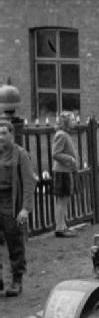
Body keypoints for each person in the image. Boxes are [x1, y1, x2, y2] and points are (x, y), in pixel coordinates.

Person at [0, 119, 35, 296]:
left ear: (12, 134)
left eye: (4, 133)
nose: (1, 137)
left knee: (14, 243)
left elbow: (29, 183)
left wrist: (25, 209)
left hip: (10, 204)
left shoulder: (20, 154)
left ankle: (16, 280)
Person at [52, 111, 80, 237]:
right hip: (61, 171)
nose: (75, 121)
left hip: (66, 171)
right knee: (61, 200)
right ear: (66, 122)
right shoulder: (61, 135)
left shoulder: (65, 134)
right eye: (72, 119)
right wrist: (70, 159)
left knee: (64, 199)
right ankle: (59, 228)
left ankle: (63, 226)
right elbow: (55, 154)